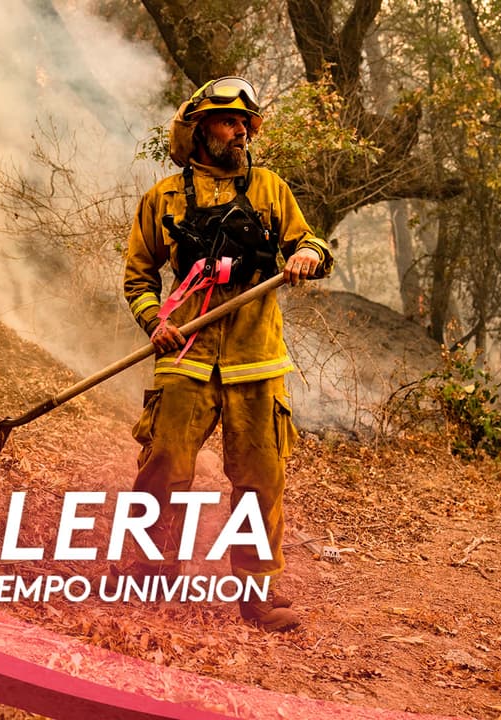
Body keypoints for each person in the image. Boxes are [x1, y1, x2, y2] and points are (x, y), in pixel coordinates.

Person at [119, 76, 332, 632]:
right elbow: (138, 279)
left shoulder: (269, 189)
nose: (242, 131)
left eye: (246, 123)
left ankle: (256, 595)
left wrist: (307, 255)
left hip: (256, 359)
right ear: (200, 131)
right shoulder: (162, 198)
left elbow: (313, 242)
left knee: (261, 480)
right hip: (185, 354)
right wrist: (153, 323)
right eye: (229, 122)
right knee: (163, 469)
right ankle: (151, 574)